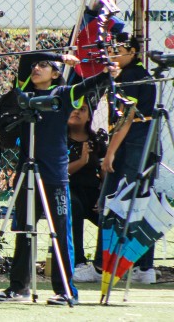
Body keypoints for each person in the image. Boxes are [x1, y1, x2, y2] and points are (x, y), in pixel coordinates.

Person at [0, 50, 116, 306]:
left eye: (44, 65)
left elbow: (90, 85)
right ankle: (19, 288)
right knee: (24, 230)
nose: (36, 68)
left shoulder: (61, 94)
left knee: (60, 232)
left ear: (56, 74)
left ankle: (66, 290)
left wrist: (106, 73)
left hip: (55, 176)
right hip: (27, 173)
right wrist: (58, 54)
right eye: (37, 65)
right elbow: (26, 58)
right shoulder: (24, 91)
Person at [84, 33, 158, 284]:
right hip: (146, 142)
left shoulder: (129, 77)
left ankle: (100, 265)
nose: (113, 52)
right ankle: (144, 268)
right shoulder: (141, 75)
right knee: (139, 200)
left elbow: (126, 117)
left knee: (112, 201)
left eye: (120, 48)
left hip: (131, 144)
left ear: (134, 52)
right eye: (112, 47)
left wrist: (110, 152)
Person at [66, 100, 108, 282]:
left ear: (89, 116)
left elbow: (104, 170)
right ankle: (78, 262)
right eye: (73, 108)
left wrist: (104, 196)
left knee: (109, 212)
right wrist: (82, 160)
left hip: (91, 190)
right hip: (67, 187)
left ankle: (109, 263)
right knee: (73, 206)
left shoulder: (96, 141)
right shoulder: (60, 138)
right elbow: (61, 171)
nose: (76, 112)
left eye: (82, 110)